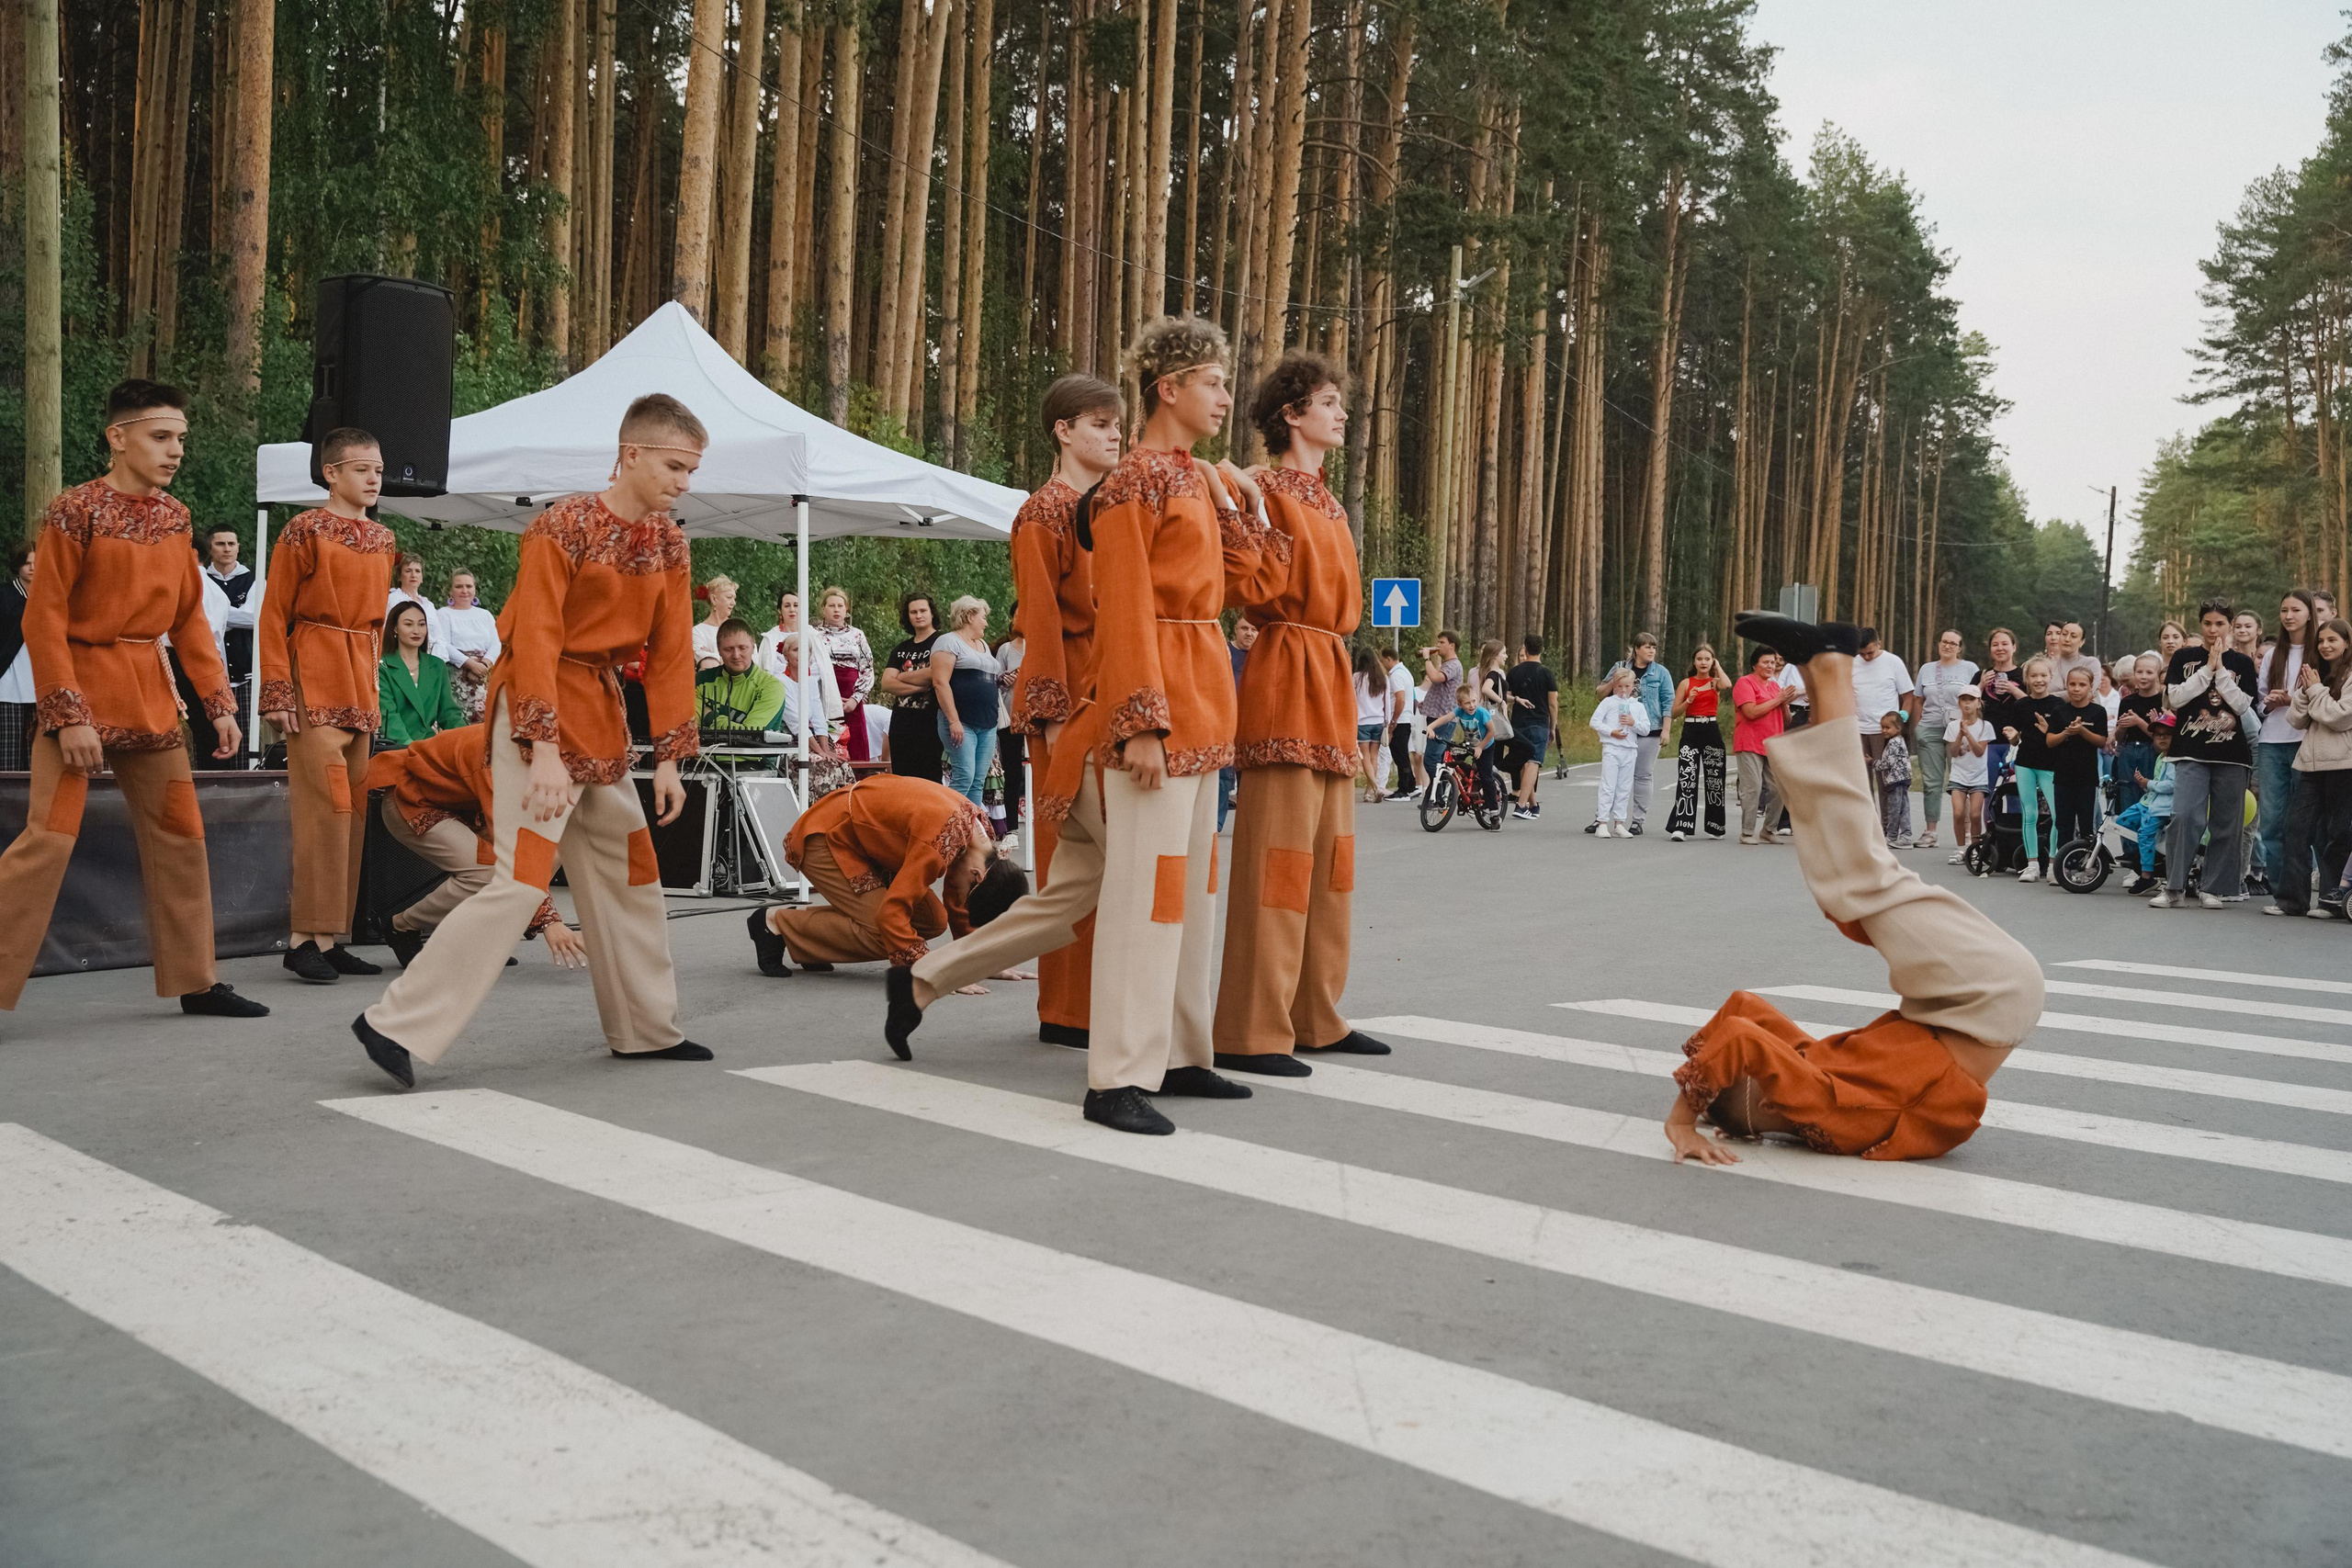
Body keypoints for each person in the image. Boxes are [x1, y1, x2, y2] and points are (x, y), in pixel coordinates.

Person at [882, 314, 1272, 1136]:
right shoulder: (1127, 487)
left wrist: (1238, 497)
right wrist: (1136, 723)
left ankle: (1177, 1052)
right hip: (1139, 710)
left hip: (1199, 704)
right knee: (1147, 898)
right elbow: (1117, 609)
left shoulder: (1191, 480)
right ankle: (1119, 1075)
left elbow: (1251, 583)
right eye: (1212, 382)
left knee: (1162, 895)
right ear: (1170, 387)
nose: (1225, 397)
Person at [353, 392, 709, 1088]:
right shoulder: (562, 524)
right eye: (675, 466)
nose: (685, 482)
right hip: (536, 709)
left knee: (632, 873)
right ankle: (393, 1023)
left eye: (692, 470)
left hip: (601, 715)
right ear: (632, 454)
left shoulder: (670, 542)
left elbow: (670, 653)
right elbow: (537, 635)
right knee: (519, 882)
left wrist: (670, 757)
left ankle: (645, 1030)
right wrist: (542, 748)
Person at [1666, 615, 2044, 1166]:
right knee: (1859, 880)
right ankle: (1829, 666)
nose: (1778, 1075)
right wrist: (1687, 1109)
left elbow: (1746, 1014)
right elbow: (1743, 1037)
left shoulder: (1820, 1086)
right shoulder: (1824, 1105)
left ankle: (1825, 668)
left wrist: (1695, 1103)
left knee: (1849, 886)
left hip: (1968, 1003)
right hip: (1984, 995)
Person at [0, 378, 266, 1020]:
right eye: (161, 436)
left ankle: (197, 980)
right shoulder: (74, 510)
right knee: (48, 840)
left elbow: (189, 620)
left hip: (152, 699)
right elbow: (43, 617)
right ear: (117, 438)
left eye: (181, 438)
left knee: (181, 835)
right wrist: (68, 715)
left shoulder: (177, 517)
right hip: (81, 693)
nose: (175, 451)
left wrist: (220, 705)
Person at [1214, 351, 1389, 1077]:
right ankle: (1252, 1028)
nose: (1341, 412)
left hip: (1330, 675)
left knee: (1332, 863)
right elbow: (1244, 581)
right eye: (1327, 401)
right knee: (1278, 862)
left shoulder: (1330, 502)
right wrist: (1239, 492)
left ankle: (1316, 1014)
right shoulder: (1264, 488)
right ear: (1291, 414)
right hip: (1286, 670)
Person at [1007, 373, 1123, 1048]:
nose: (1115, 435)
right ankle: (1067, 1007)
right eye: (1100, 424)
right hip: (1069, 689)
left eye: (1118, 425)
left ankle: (1104, 998)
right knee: (1069, 855)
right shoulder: (1042, 513)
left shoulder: (1112, 508)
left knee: (1117, 854)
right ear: (1064, 430)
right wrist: (1052, 717)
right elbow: (1041, 621)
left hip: (1114, 687)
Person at [258, 425, 399, 983]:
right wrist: (276, 690)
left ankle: (330, 936)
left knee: (355, 810)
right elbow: (273, 612)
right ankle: (302, 940)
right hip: (313, 671)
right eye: (362, 469)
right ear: (331, 473)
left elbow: (378, 626)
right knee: (326, 808)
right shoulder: (304, 528)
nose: (373, 479)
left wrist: (376, 689)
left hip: (360, 680)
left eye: (379, 470)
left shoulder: (384, 538)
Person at [744, 771, 1030, 977]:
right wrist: (931, 969)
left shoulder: (978, 835)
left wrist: (977, 962)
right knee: (886, 930)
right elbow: (892, 914)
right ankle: (774, 923)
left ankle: (811, 942)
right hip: (827, 837)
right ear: (978, 875)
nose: (956, 891)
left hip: (866, 847)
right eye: (968, 894)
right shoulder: (939, 841)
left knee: (932, 920)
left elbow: (957, 901)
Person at [363, 723, 587, 969]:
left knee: (557, 844)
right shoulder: (498, 756)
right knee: (486, 872)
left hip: (466, 808)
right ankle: (402, 926)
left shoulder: (541, 749)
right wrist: (550, 922)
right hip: (413, 801)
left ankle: (489, 933)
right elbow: (513, 849)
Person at [2152, 598, 2258, 910]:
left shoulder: (2242, 663)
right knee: (2185, 816)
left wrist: (2221, 670)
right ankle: (2173, 888)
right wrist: (2207, 669)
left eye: (2220, 624)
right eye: (2208, 624)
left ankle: (2214, 888)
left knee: (2226, 824)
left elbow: (2241, 705)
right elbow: (2176, 698)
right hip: (2190, 751)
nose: (2213, 630)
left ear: (2230, 626)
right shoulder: (2183, 657)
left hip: (2232, 755)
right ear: (2200, 625)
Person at [2267, 615, 2352, 917]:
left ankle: (2332, 901)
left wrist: (2315, 690)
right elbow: (2295, 719)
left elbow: (2340, 717)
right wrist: (2305, 691)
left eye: (2332, 640)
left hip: (2343, 765)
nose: (2325, 645)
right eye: (2321, 641)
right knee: (2295, 828)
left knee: (2336, 833)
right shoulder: (2317, 674)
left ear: (2347, 643)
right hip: (2310, 765)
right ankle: (2292, 900)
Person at [2253, 590, 2317, 896]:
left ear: (2309, 613)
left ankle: (2305, 888)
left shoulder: (2320, 651)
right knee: (2271, 823)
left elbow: (2328, 700)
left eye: (2296, 610)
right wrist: (2271, 702)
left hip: (2307, 741)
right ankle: (2282, 892)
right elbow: (2260, 704)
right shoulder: (2272, 655)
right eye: (2284, 610)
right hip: (2271, 742)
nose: (2289, 616)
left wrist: (2293, 700)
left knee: (2304, 821)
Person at [1590, 633, 1672, 834]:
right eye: (1647, 647)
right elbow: (1600, 694)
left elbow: (1668, 701)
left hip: (1649, 728)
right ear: (1636, 649)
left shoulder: (1661, 672)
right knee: (1612, 778)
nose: (1652, 650)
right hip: (1620, 731)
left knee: (1642, 775)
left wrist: (1666, 729)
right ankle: (1602, 819)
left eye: (1654, 647)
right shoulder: (1620, 666)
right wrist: (1616, 680)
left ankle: (1637, 820)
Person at [927, 595, 1002, 812]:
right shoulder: (948, 641)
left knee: (978, 780)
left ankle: (970, 828)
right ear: (969, 616)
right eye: (983, 617)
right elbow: (940, 682)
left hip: (987, 722)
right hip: (961, 721)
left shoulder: (982, 645)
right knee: (965, 776)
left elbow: (983, 679)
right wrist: (953, 721)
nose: (986, 623)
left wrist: (1002, 679)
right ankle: (947, 823)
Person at [1910, 630, 1978, 851]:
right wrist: (1918, 727)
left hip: (1959, 730)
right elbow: (1918, 699)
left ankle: (1967, 833)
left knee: (1961, 781)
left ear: (1960, 648)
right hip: (1930, 729)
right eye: (1944, 642)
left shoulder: (1969, 668)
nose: (1947, 646)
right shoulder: (1927, 669)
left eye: (1953, 643)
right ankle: (1930, 832)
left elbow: (1977, 699)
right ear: (1939, 644)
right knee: (1932, 782)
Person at [1997, 657, 2064, 883]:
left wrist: (2048, 730)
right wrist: (2013, 737)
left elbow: (2061, 738)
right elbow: (2016, 739)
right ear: (2026, 679)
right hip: (2025, 763)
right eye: (2034, 676)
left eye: (2043, 675)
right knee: (2030, 814)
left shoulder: (2058, 705)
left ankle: (2054, 864)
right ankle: (2032, 864)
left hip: (2050, 765)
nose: (2039, 680)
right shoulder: (2020, 705)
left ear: (2050, 677)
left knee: (2057, 815)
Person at [1849, 627, 1915, 838]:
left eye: (1870, 652)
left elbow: (1908, 696)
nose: (1867, 657)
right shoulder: (1852, 663)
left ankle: (1887, 828)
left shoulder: (1893, 662)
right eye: (1862, 654)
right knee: (1861, 782)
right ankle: (1867, 826)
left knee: (1885, 781)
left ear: (1879, 643)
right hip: (1858, 729)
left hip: (1884, 732)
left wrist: (1901, 719)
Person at [1664, 643, 1730, 841]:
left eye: (1707, 659)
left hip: (1711, 730)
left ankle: (1715, 826)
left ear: (1712, 661)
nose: (1703, 662)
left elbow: (1727, 685)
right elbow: (1674, 712)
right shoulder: (1686, 683)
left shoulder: (1715, 682)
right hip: (1691, 731)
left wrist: (1718, 667)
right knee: (1687, 778)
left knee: (1715, 780)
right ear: (1694, 661)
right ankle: (1681, 826)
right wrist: (1689, 701)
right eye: (1699, 659)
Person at [378, 599, 465, 744]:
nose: (417, 631)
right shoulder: (382, 667)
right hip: (396, 747)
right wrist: (411, 746)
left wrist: (467, 738)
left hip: (429, 745)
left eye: (422, 624)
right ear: (395, 629)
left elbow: (449, 714)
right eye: (408, 624)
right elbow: (388, 716)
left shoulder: (437, 666)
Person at [2045, 663, 2109, 857]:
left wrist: (2082, 731)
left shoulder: (2098, 712)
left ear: (2090, 687)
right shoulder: (2059, 711)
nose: (2076, 689)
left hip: (2087, 778)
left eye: (2082, 685)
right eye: (2072, 684)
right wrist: (2066, 732)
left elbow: (2101, 741)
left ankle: (2087, 860)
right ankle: (2064, 861)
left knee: (2086, 824)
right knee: (2063, 823)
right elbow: (2050, 741)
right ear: (2066, 685)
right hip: (2063, 777)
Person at [881, 592, 944, 781]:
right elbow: (886, 683)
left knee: (930, 781)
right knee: (903, 781)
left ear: (932, 613)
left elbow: (936, 673)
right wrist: (919, 687)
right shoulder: (901, 649)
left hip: (931, 724)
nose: (918, 615)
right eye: (913, 612)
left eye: (923, 611)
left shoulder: (942, 642)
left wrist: (901, 676)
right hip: (901, 725)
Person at [1731, 644, 1790, 843]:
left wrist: (1784, 703)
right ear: (1754, 664)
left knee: (1779, 788)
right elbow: (1750, 712)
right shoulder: (1744, 683)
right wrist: (1778, 700)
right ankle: (1747, 832)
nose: (1770, 666)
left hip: (1773, 744)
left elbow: (1786, 720)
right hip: (1750, 742)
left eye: (1773, 662)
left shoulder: (1775, 686)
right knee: (1753, 788)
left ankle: (1769, 829)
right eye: (1766, 662)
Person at [814, 586, 876, 763]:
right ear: (823, 609)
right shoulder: (814, 635)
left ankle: (860, 778)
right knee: (829, 741)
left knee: (856, 745)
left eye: (840, 606)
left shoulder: (857, 635)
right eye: (832, 606)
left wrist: (855, 699)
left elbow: (868, 668)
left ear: (846, 609)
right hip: (823, 695)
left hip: (851, 697)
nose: (836, 610)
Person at [2118, 716, 2177, 896]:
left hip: (2163, 806)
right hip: (2150, 801)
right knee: (2122, 822)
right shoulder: (2160, 758)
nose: (2162, 738)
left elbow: (2172, 785)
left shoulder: (2174, 760)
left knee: (2145, 834)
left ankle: (2147, 875)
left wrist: (2148, 783)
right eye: (2158, 735)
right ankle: (2148, 855)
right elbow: (2156, 783)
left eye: (2167, 734)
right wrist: (2145, 784)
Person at [1502, 637, 1559, 819]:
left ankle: (1532, 805)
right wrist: (1553, 727)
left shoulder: (1514, 672)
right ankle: (1521, 805)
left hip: (1518, 723)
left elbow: (1506, 698)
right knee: (1533, 762)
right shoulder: (1546, 673)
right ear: (1542, 649)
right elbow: (1553, 703)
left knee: (1523, 761)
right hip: (1539, 722)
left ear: (1525, 649)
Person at [695, 617, 789, 728]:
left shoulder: (770, 687)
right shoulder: (701, 680)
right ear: (719, 651)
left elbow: (751, 734)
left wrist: (709, 716)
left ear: (753, 648)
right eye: (728, 649)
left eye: (742, 648)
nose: (736, 655)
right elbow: (686, 724)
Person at [1589, 667, 1650, 838]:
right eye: (1620, 686)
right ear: (1614, 686)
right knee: (1608, 786)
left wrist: (1633, 722)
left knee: (1624, 787)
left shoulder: (1638, 706)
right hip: (1612, 748)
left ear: (1633, 686)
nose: (1623, 690)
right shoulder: (1608, 703)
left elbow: (1646, 729)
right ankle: (1602, 822)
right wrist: (1611, 732)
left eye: (1627, 686)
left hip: (1630, 750)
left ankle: (1619, 823)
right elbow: (1594, 722)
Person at [435, 570, 501, 723]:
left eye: (469, 586)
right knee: (460, 722)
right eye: (459, 586)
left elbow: (496, 643)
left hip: (484, 676)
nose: (465, 591)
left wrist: (484, 665)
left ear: (474, 589)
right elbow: (443, 644)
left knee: (486, 722)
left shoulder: (485, 615)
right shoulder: (444, 614)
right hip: (458, 675)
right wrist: (470, 664)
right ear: (450, 590)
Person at [201, 525, 256, 691]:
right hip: (211, 669)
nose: (227, 549)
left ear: (238, 547)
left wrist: (215, 614)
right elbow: (197, 617)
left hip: (246, 671)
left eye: (231, 544)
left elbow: (254, 618)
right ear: (209, 548)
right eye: (220, 544)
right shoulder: (202, 580)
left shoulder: (254, 580)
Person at [1943, 689, 1993, 864]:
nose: (1967, 703)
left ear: (1978, 703)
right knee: (1958, 813)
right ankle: (1961, 849)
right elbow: (1954, 752)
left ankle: (1975, 849)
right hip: (1958, 776)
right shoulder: (1952, 726)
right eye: (1963, 699)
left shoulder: (1985, 726)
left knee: (1974, 814)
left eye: (1971, 700)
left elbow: (1979, 751)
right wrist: (1960, 734)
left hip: (1978, 777)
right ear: (1959, 704)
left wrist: (1969, 734)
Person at [2113, 652, 2165, 816]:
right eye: (2139, 672)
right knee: (2127, 794)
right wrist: (2122, 726)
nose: (2143, 677)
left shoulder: (2162, 701)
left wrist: (2139, 722)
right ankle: (2127, 831)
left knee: (2148, 796)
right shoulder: (2127, 701)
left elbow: (2160, 739)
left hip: (2151, 752)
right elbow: (2119, 738)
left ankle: (2147, 831)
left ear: (2157, 675)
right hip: (2128, 751)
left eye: (2149, 672)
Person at [1413, 630, 1463, 799]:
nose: (1438, 645)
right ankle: (1439, 795)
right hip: (1436, 718)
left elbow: (1435, 677)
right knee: (1438, 759)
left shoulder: (1453, 665)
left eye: (1442, 642)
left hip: (1444, 719)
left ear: (1452, 646)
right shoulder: (1447, 664)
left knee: (1431, 759)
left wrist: (1427, 658)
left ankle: (1441, 793)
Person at [1218, 617, 1258, 828]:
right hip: (1225, 724)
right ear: (1236, 630)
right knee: (1223, 775)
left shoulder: (1262, 656)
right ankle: (1215, 825)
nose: (1249, 633)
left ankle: (1247, 827)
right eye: (1244, 628)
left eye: (1254, 629)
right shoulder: (1223, 652)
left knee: (1250, 779)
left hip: (1251, 726)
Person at [1977, 628, 2027, 790]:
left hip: (2016, 743)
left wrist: (2014, 690)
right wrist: (1981, 685)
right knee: (1987, 791)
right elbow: (1967, 704)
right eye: (1995, 645)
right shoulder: (1981, 675)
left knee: (2014, 792)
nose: (2000, 648)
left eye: (2005, 644)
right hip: (1987, 742)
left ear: (2014, 647)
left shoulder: (2024, 675)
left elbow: (2033, 705)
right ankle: (1990, 810)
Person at [0, 540, 34, 771]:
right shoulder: (5, 596)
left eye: (37, 563)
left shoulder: (51, 595)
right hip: (8, 682)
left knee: (37, 753)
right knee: (8, 753)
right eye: (26, 563)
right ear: (17, 565)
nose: (32, 568)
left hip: (40, 682)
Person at [1448, 678, 1502, 813]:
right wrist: (1431, 728)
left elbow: (1491, 732)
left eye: (1473, 701)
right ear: (1460, 704)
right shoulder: (1460, 711)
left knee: (1486, 777)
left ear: (1477, 698)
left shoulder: (1482, 712)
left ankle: (1494, 812)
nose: (1472, 705)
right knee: (1453, 760)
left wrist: (1480, 747)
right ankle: (1468, 784)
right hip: (1470, 744)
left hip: (1486, 746)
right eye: (1467, 703)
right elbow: (1446, 718)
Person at [1352, 645, 1390, 803]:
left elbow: (1352, 700)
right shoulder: (1382, 678)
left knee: (1365, 757)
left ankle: (1375, 788)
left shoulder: (1356, 677)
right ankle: (1368, 793)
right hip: (1379, 721)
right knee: (1374, 757)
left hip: (1362, 722)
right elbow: (1387, 702)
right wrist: (1387, 721)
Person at [1873, 711, 1913, 843]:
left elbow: (1887, 763)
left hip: (1895, 781)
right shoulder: (1899, 741)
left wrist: (1873, 763)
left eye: (1887, 727)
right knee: (1903, 808)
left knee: (1894, 810)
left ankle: (1891, 835)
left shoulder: (1893, 743)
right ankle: (1906, 835)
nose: (1884, 730)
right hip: (1903, 779)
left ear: (1898, 728)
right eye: (1882, 727)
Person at [691, 573, 738, 669]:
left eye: (734, 598)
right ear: (714, 599)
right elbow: (702, 660)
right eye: (729, 597)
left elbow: (752, 659)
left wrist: (713, 655)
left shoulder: (739, 629)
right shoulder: (698, 631)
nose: (733, 603)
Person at [386, 551, 435, 627]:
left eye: (417, 571)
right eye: (408, 571)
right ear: (399, 577)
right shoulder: (392, 600)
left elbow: (438, 633)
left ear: (421, 578)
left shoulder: (429, 605)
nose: (413, 575)